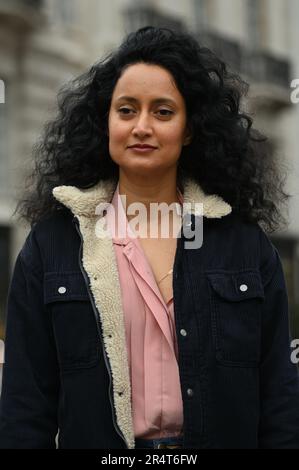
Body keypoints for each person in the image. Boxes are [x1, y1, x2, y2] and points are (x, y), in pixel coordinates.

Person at [0, 26, 298, 449]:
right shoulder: (52, 246)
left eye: (162, 111)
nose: (142, 126)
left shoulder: (244, 246)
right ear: (106, 123)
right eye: (126, 110)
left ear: (189, 129)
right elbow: (24, 407)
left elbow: (280, 400)